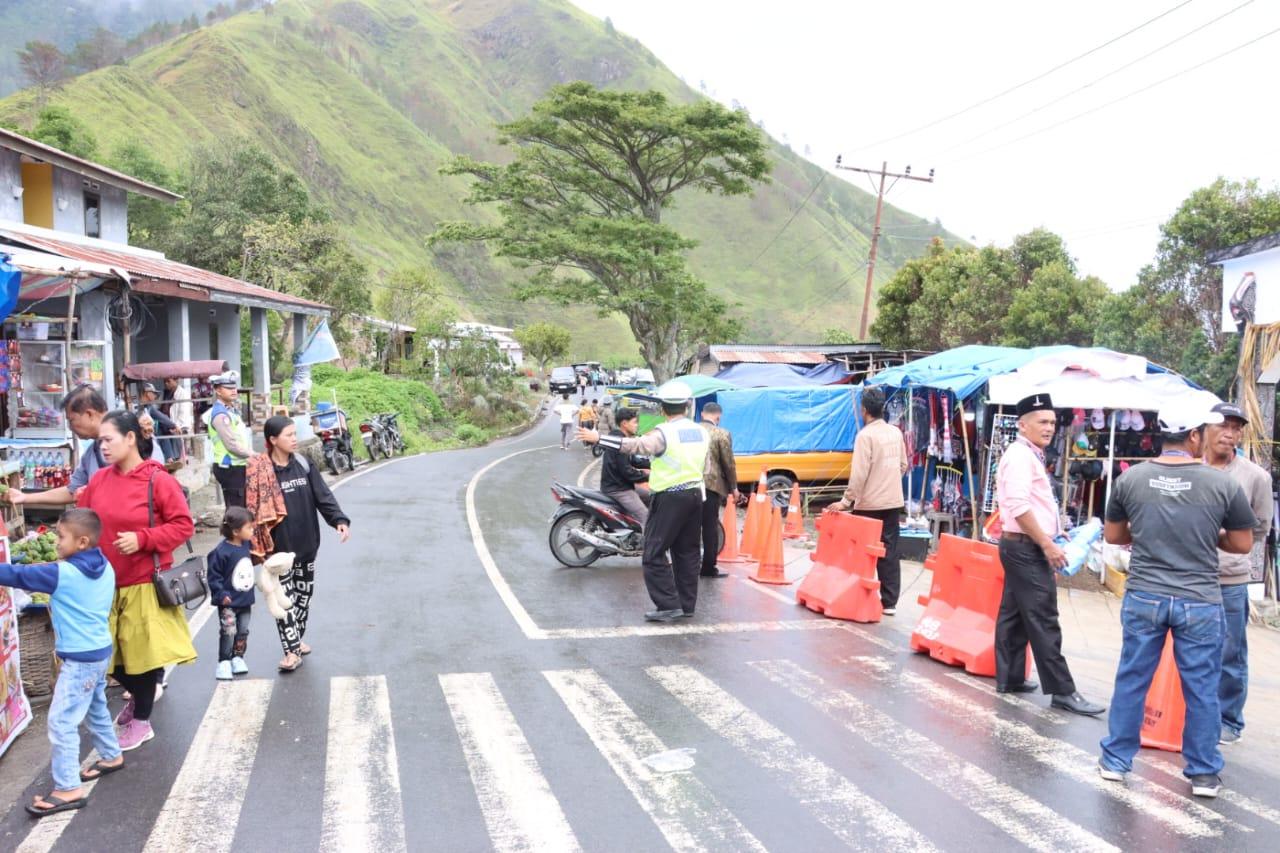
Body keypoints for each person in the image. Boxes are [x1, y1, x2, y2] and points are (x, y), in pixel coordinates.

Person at [1100, 401, 1255, 798]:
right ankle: (1203, 773)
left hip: (1145, 595)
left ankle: (1116, 761)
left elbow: (1114, 536)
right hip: (1199, 599)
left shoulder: (1131, 478)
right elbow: (1242, 544)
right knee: (1202, 687)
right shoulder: (1222, 484)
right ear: (1194, 436)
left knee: (1133, 679)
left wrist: (1148, 533)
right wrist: (1209, 536)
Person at [76, 410, 196, 752]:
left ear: (130, 438)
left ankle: (142, 721)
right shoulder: (100, 480)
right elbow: (82, 520)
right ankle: (139, 704)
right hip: (103, 584)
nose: (102, 447)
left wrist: (142, 539)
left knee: (139, 660)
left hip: (142, 583)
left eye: (108, 439)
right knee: (108, 658)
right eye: (99, 441)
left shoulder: (158, 480)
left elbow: (183, 526)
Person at [0, 509, 123, 817]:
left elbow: (17, 575)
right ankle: (111, 755)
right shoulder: (104, 564)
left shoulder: (63, 574)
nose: (56, 541)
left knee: (61, 721)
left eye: (61, 536)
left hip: (80, 659)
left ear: (82, 542)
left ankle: (68, 788)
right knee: (95, 705)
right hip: (99, 650)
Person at [993, 393, 1104, 716]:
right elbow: (1019, 506)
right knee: (1044, 617)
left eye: (1052, 422)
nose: (1049, 428)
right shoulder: (1020, 456)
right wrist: (1046, 543)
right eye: (1042, 422)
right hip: (1026, 547)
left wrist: (1055, 531)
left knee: (1014, 613)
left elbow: (1032, 504)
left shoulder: (1029, 454)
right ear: (1022, 425)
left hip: (1022, 543)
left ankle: (1010, 677)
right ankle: (1063, 691)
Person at [581, 381, 709, 622]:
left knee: (653, 551)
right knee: (688, 552)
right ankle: (686, 605)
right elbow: (706, 466)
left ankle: (668, 604)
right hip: (695, 495)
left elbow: (635, 446)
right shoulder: (702, 432)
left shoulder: (664, 433)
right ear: (687, 406)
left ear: (663, 409)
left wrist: (599, 438)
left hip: (669, 497)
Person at [1201, 402, 1271, 746]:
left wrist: (1224, 541)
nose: (1230, 434)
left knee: (1230, 653)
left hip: (1229, 578)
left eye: (1236, 428)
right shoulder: (1189, 467)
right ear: (1204, 429)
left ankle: (1229, 720)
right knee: (1188, 650)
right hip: (1187, 576)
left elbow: (1259, 527)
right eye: (1223, 426)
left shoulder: (1255, 477)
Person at [257, 417, 350, 672]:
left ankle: (296, 639)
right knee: (284, 602)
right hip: (278, 552)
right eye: (288, 435)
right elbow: (252, 506)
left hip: (307, 546)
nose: (294, 439)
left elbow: (323, 495)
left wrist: (339, 520)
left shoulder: (303, 464)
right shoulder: (263, 472)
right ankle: (291, 652)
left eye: (294, 434)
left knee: (303, 600)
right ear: (273, 440)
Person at [2, 387, 164, 511]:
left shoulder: (137, 440)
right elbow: (71, 491)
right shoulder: (92, 453)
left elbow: (153, 486)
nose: (70, 427)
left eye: (72, 420)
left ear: (89, 414)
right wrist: (25, 498)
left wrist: (98, 493)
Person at [830, 387, 907, 613]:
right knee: (889, 551)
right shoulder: (895, 432)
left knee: (861, 551)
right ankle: (889, 602)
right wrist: (889, 481)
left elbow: (859, 474)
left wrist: (846, 501)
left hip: (869, 505)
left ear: (864, 410)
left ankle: (857, 595)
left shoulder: (865, 436)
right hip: (893, 502)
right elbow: (903, 465)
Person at [207, 506, 257, 681]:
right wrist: (221, 594)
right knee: (228, 631)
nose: (252, 530)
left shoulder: (246, 544)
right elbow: (214, 577)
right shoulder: (220, 552)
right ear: (236, 531)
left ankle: (238, 657)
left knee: (242, 631)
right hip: (228, 602)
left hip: (245, 600)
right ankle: (224, 661)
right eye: (249, 528)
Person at [699, 402, 736, 579]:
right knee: (709, 527)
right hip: (711, 486)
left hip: (687, 484)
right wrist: (733, 487)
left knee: (688, 526)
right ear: (718, 417)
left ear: (702, 414)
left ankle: (687, 565)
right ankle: (708, 567)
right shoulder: (722, 434)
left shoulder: (691, 431)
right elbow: (728, 464)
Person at [207, 371, 252, 508]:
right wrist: (253, 455)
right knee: (236, 509)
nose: (233, 390)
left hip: (237, 464)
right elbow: (231, 445)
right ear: (218, 391)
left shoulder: (231, 411)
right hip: (229, 466)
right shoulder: (220, 414)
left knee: (240, 507)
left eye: (234, 387)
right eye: (228, 388)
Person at [600, 407, 650, 527]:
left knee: (652, 496)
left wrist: (654, 464)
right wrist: (648, 475)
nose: (637, 425)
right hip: (618, 489)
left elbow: (634, 460)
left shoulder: (620, 440)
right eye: (635, 422)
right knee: (646, 518)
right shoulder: (619, 443)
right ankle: (647, 537)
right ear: (624, 424)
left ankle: (635, 527)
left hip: (620, 484)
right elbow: (628, 472)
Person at [137, 382, 179, 462]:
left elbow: (161, 417)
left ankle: (170, 459)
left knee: (162, 431)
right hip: (141, 438)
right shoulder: (137, 407)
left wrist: (173, 426)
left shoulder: (149, 407)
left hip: (148, 435)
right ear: (147, 393)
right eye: (153, 393)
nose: (155, 396)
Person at [164, 376, 194, 454]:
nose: (166, 384)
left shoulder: (183, 394)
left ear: (176, 381)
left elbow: (183, 413)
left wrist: (176, 426)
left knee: (180, 452)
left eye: (168, 381)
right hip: (172, 425)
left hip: (181, 426)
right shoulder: (168, 393)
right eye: (165, 382)